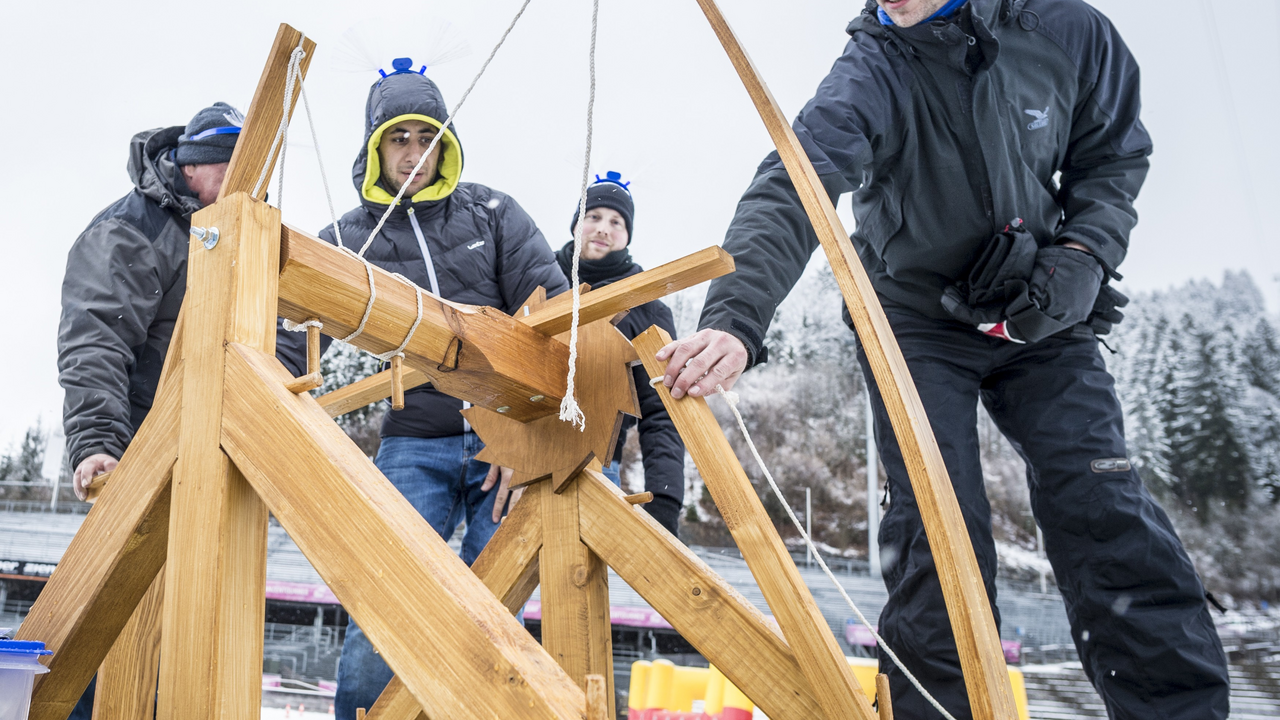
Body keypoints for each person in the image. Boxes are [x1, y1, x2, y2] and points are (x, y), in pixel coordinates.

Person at [656, 1, 1229, 718]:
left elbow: (1113, 155)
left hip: (1041, 301)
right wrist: (736, 320)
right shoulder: (872, 69)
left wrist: (1084, 255)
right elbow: (793, 183)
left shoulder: (1065, 28)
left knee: (1102, 502)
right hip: (915, 318)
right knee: (938, 530)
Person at [274, 59, 568, 719]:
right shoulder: (355, 237)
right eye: (398, 138)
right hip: (415, 442)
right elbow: (291, 319)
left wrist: (536, 436)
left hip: (507, 444)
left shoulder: (493, 215)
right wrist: (268, 371)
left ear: (447, 144)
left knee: (493, 613)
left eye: (426, 137)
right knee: (386, 602)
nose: (413, 153)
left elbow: (556, 318)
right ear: (376, 148)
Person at [57, 101, 244, 720]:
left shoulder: (238, 231)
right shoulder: (132, 227)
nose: (240, 179)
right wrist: (97, 442)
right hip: (140, 440)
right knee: (109, 610)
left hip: (209, 451)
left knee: (190, 617)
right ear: (192, 169)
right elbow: (96, 338)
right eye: (227, 165)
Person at [551, 172, 684, 535]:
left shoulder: (645, 303)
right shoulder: (538, 277)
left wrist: (665, 496)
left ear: (627, 235)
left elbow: (662, 409)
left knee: (580, 579)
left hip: (597, 457)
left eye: (616, 221)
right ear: (576, 224)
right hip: (517, 449)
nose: (603, 228)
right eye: (593, 217)